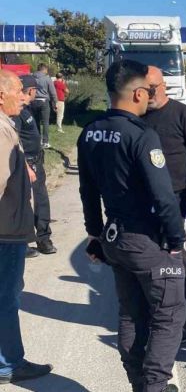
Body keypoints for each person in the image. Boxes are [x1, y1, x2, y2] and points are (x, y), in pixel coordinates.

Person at [77, 60, 185, 392]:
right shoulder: (141, 135)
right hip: (147, 241)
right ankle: (155, 387)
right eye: (151, 91)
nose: (152, 96)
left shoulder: (90, 132)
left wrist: (95, 235)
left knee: (130, 315)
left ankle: (139, 383)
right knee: (169, 317)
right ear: (138, 93)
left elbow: (87, 190)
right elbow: (163, 196)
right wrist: (176, 239)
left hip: (114, 238)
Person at [142, 66, 186, 343]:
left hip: (178, 198)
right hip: (145, 200)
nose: (146, 95)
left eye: (151, 89)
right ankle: (163, 311)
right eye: (141, 89)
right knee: (151, 257)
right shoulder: (138, 118)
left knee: (181, 256)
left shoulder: (183, 115)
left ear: (162, 87)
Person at [0, 69, 53, 385]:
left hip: (7, 229)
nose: (25, 97)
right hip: (5, 232)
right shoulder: (2, 131)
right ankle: (9, 363)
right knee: (6, 298)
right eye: (19, 90)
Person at [13, 75, 57, 257]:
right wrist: (26, 166)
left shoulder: (27, 109)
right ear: (32, 91)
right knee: (27, 203)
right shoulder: (17, 112)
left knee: (40, 201)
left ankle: (42, 238)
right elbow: (15, 142)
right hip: (27, 163)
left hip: (36, 160)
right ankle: (25, 242)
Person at [31, 63, 57, 148]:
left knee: (35, 121)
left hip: (33, 101)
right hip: (44, 101)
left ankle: (37, 140)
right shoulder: (47, 78)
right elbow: (53, 92)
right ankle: (45, 142)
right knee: (45, 122)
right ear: (44, 69)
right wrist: (54, 103)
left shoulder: (32, 77)